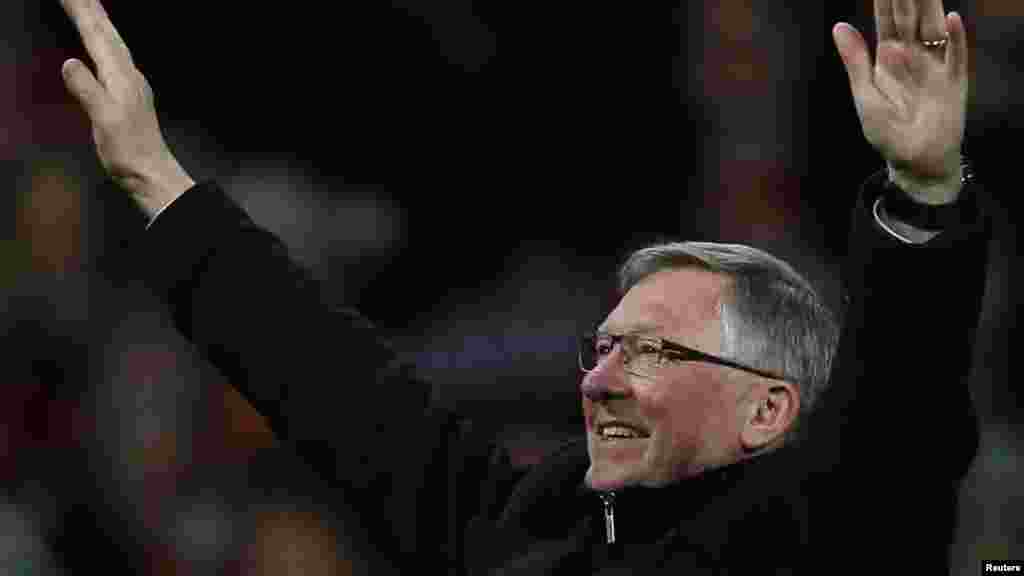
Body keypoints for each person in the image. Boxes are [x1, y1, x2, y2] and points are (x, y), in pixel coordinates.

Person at [56, 0, 991, 573]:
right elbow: (341, 387)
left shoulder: (832, 542)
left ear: (766, 411)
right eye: (606, 347)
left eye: (653, 352)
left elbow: (900, 428)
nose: (598, 379)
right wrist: (157, 182)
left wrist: (921, 193)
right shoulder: (525, 531)